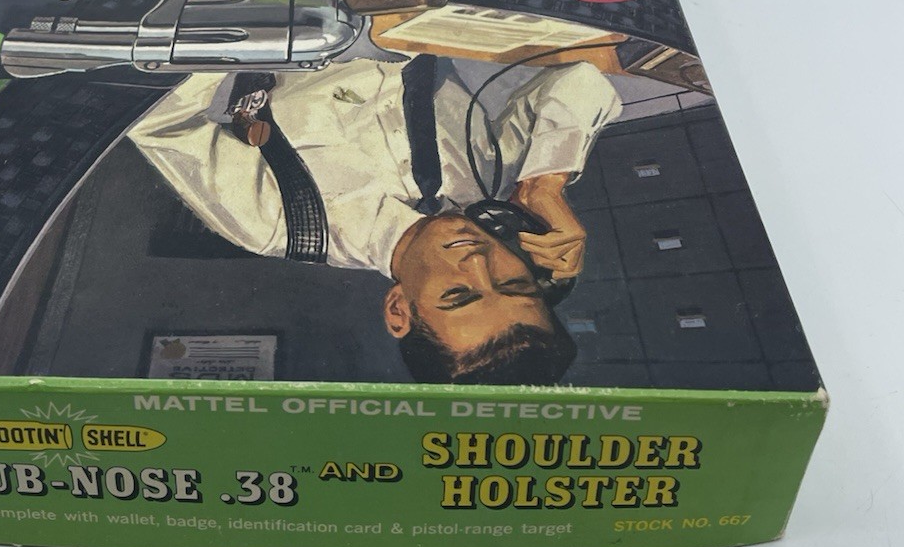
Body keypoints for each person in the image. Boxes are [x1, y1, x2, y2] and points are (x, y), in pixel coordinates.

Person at [127, 54, 621, 384]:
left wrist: (263, 39)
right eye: (513, 284)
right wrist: (546, 181)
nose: (478, 263)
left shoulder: (277, 222)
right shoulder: (492, 180)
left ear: (399, 310)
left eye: (457, 295)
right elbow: (583, 78)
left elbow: (158, 120)